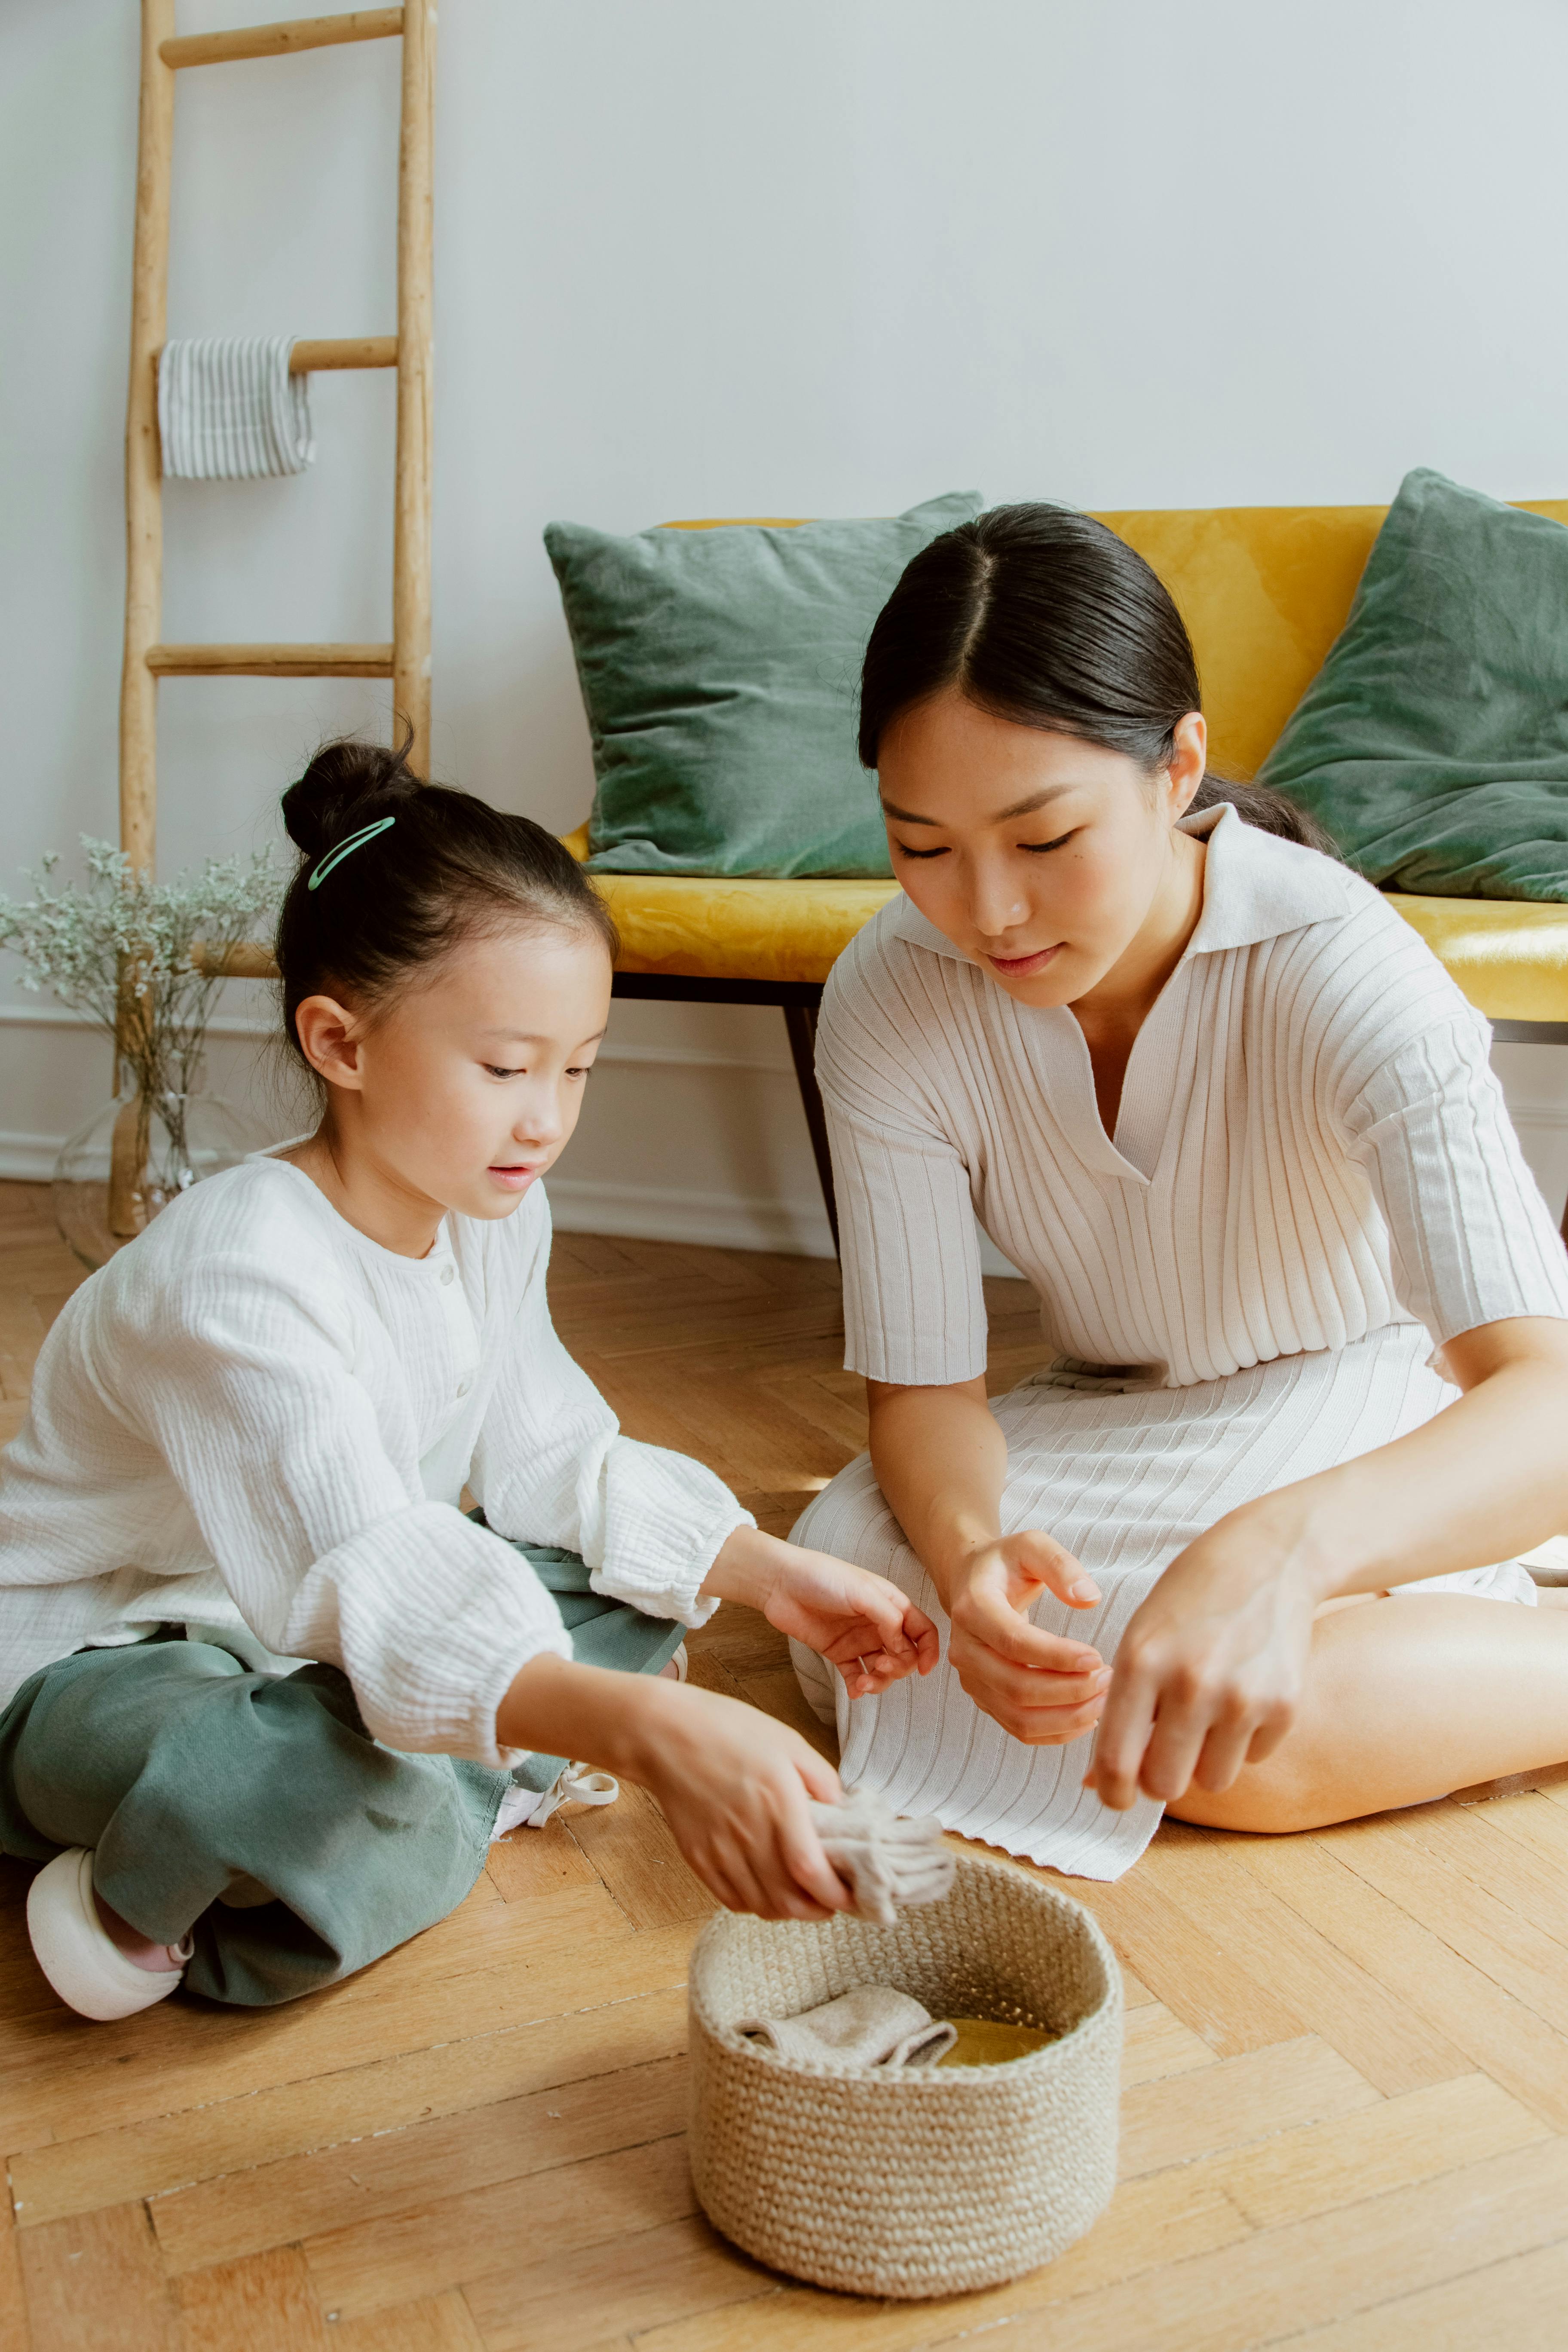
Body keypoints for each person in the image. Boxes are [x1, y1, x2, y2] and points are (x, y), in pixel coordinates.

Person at [0, 740, 937, 2017]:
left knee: (621, 1600)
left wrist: (772, 1575)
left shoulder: (492, 1206)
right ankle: (140, 1903)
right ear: (338, 1041)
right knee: (298, 1774)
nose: (547, 1118)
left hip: (315, 1635)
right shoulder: (234, 1274)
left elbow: (548, 1458)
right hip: (118, 1652)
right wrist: (651, 1738)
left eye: (580, 1066)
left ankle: (445, 1762)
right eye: (506, 1068)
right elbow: (368, 1560)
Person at [790, 501, 1568, 1881]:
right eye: (925, 846)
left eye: (1043, 840)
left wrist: (1281, 1550)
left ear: (1175, 768)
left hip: (1354, 1400)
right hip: (1113, 1420)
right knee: (853, 1595)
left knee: (1241, 1726)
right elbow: (923, 1398)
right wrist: (973, 1559)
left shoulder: (1341, 960)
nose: (990, 913)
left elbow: (1546, 1393)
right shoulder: (890, 995)